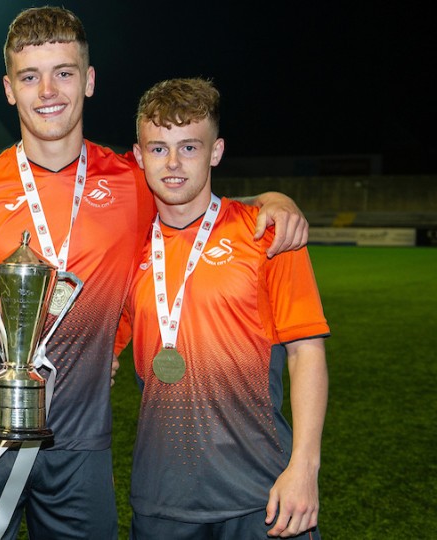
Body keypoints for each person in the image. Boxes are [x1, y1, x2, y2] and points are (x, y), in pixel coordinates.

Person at [0, 6, 309, 540]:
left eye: (64, 72)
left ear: (89, 80)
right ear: (9, 89)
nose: (48, 91)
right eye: (30, 77)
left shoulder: (132, 182)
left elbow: (199, 200)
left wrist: (273, 200)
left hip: (81, 448)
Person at [116, 77, 329, 539]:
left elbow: (306, 352)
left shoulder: (266, 235)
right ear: (138, 155)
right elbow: (99, 349)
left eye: (189, 148)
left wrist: (304, 468)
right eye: (158, 149)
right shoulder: (128, 250)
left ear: (216, 152)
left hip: (262, 494)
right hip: (161, 498)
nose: (173, 163)